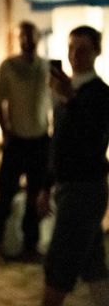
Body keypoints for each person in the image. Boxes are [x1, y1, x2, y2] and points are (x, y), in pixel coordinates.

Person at [40, 26, 109, 306]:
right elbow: (58, 141)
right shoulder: (66, 90)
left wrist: (71, 101)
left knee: (59, 264)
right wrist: (46, 186)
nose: (74, 55)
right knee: (93, 262)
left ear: (96, 52)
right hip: (68, 186)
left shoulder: (100, 94)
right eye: (70, 48)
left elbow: (94, 140)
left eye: (82, 49)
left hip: (85, 188)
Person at [0, 21, 51, 263]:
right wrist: (6, 131)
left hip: (40, 140)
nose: (27, 40)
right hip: (16, 141)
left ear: (37, 37)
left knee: (36, 195)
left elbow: (52, 100)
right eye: (23, 36)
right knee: (5, 194)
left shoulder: (45, 66)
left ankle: (30, 245)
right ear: (18, 38)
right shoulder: (8, 66)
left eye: (31, 35)